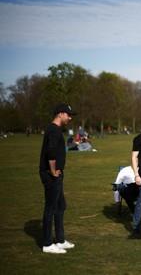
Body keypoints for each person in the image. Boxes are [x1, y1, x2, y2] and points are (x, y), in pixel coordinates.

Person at [39, 103, 77, 254]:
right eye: (68, 114)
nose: (70, 117)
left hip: (57, 174)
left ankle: (60, 240)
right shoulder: (53, 130)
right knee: (51, 208)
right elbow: (51, 153)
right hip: (51, 175)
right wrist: (53, 171)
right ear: (60, 114)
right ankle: (47, 244)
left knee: (60, 206)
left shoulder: (55, 130)